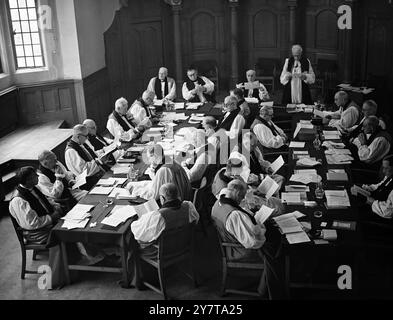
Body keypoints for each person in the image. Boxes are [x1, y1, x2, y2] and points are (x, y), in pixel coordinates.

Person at [211, 179, 286, 299]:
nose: (241, 200)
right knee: (277, 249)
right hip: (239, 250)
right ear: (237, 194)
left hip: (233, 239)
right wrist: (259, 226)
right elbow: (255, 242)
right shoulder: (235, 215)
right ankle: (272, 292)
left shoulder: (220, 200)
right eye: (241, 197)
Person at [9, 167, 63, 245]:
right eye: (35, 175)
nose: (38, 176)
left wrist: (55, 206)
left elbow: (45, 201)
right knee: (64, 233)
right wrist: (51, 218)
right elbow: (32, 223)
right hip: (36, 233)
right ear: (28, 180)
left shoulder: (34, 187)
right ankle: (64, 255)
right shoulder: (18, 200)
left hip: (46, 223)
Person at [128, 145, 193, 202]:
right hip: (184, 196)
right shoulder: (170, 161)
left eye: (149, 157)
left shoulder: (163, 170)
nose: (148, 160)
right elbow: (157, 183)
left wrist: (136, 190)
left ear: (155, 156)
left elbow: (153, 196)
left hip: (177, 204)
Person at [351, 155, 393, 220]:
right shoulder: (389, 176)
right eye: (383, 168)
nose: (383, 171)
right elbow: (379, 186)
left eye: (387, 168)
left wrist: (372, 202)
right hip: (373, 202)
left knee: (351, 210)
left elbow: (388, 211)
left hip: (378, 214)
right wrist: (365, 188)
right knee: (350, 193)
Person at [65, 125, 106, 190]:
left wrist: (103, 152)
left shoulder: (81, 143)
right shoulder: (71, 151)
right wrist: (98, 162)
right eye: (86, 136)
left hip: (97, 174)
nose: (87, 138)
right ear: (78, 136)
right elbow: (83, 171)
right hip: (88, 183)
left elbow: (92, 156)